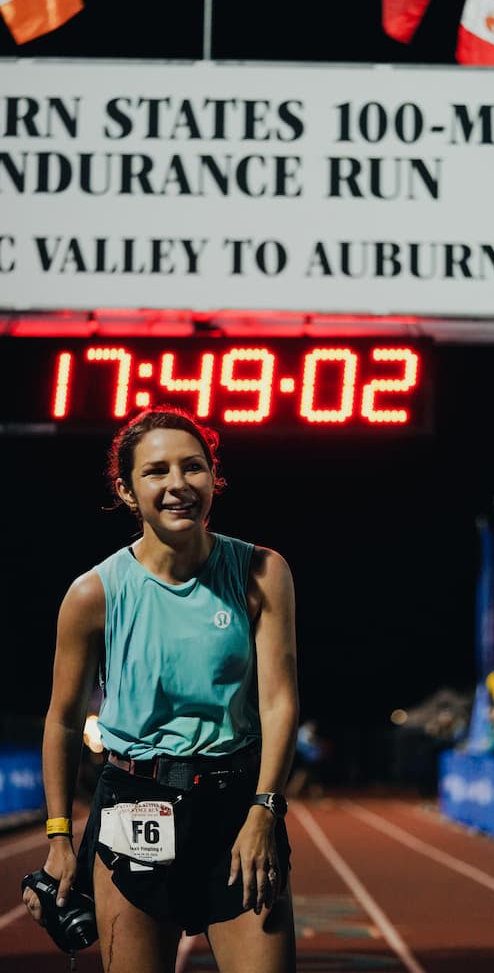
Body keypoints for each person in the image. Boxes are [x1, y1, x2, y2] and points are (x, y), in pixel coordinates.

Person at [22, 405, 299, 973]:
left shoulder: (262, 573)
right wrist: (58, 838)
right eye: (156, 472)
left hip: (237, 810)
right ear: (127, 491)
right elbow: (64, 720)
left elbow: (278, 702)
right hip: (133, 804)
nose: (178, 485)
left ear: (212, 478)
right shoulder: (92, 594)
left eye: (192, 467)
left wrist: (265, 809)